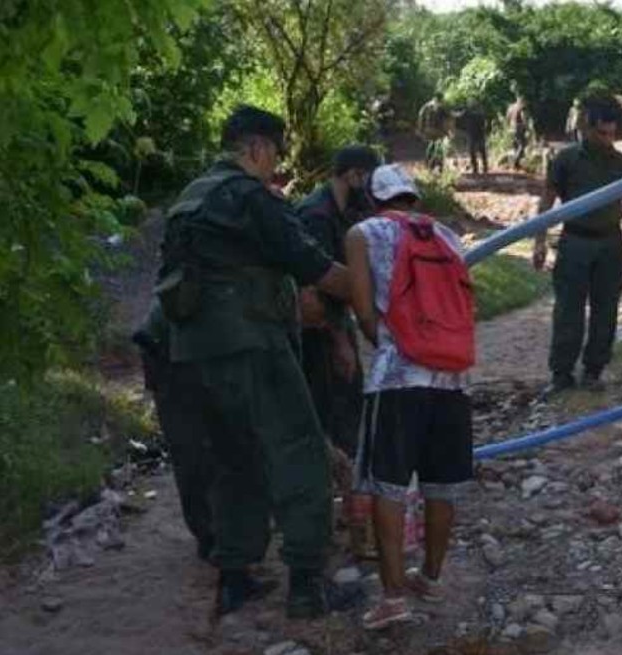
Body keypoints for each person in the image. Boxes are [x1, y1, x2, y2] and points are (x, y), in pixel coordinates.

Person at [155, 104, 357, 618]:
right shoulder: (248, 197)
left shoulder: (189, 198)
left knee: (233, 459)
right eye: (274, 155)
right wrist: (376, 286)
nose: (275, 167)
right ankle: (307, 585)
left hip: (192, 355)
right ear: (256, 147)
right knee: (298, 451)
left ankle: (234, 578)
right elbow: (315, 267)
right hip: (250, 344)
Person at [344, 164, 476, 629]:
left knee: (388, 486)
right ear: (412, 198)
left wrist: (384, 343)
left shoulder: (363, 234)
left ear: (373, 199)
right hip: (453, 379)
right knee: (442, 485)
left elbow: (364, 310)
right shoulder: (447, 236)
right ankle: (432, 578)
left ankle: (393, 597)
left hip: (397, 379)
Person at [295, 145, 381, 559]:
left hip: (334, 321)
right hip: (317, 329)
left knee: (345, 412)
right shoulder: (316, 216)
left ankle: (342, 507)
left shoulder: (342, 210)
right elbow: (313, 294)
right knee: (335, 413)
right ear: (354, 175)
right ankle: (337, 514)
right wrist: (340, 341)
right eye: (369, 179)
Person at [532, 100, 622, 394]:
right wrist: (539, 240)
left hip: (610, 244)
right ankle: (561, 374)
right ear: (586, 129)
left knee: (605, 310)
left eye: (611, 134)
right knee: (568, 310)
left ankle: (594, 371)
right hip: (575, 242)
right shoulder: (566, 160)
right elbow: (547, 200)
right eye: (601, 134)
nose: (607, 140)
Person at [132, 302, 215, 563]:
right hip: (171, 360)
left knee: (193, 453)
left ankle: (211, 534)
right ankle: (210, 536)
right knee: (193, 453)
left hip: (172, 357)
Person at [418, 98, 451, 174]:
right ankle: (439, 166)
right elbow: (446, 120)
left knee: (431, 146)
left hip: (428, 130)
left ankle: (428, 165)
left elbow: (420, 117)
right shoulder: (441, 107)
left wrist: (421, 130)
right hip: (438, 131)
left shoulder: (425, 106)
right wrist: (447, 132)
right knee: (440, 148)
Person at [457, 105, 489, 175]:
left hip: (472, 135)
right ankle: (485, 167)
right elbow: (485, 124)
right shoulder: (480, 114)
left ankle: (475, 168)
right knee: (482, 151)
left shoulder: (467, 113)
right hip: (480, 134)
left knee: (472, 152)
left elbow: (458, 116)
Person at [505, 95, 531, 170]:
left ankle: (517, 165)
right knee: (522, 145)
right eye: (524, 102)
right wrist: (527, 128)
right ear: (522, 101)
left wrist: (508, 127)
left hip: (511, 127)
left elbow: (507, 117)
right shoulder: (521, 108)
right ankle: (515, 162)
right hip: (519, 128)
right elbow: (524, 118)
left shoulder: (510, 107)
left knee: (515, 146)